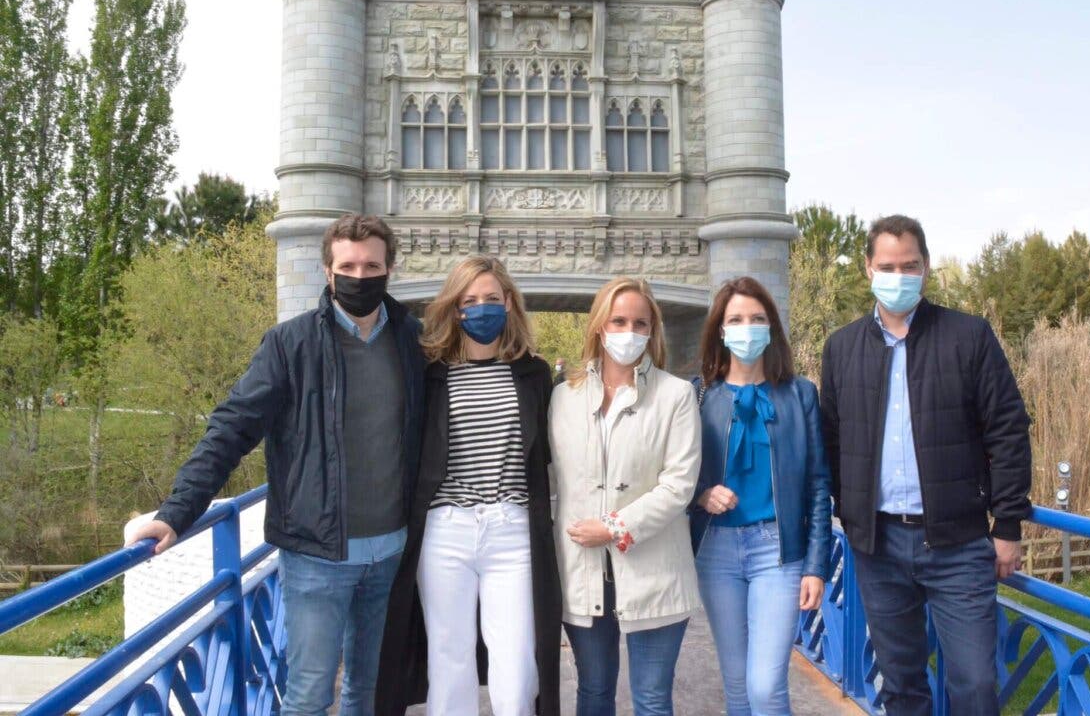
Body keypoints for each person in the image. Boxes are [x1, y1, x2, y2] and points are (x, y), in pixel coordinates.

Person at [126, 214, 425, 716]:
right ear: (328, 273)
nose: (359, 274)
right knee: (308, 694)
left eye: (371, 264)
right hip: (315, 553)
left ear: (389, 269)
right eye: (347, 265)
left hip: (391, 551)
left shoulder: (413, 343)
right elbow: (231, 428)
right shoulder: (290, 344)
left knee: (369, 692)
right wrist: (177, 511)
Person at [820, 214, 1032, 716]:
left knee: (976, 685)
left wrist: (1006, 524)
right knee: (901, 685)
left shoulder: (969, 336)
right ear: (868, 270)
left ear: (927, 267)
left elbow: (1007, 429)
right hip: (879, 546)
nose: (898, 276)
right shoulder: (842, 348)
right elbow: (831, 437)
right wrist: (847, 514)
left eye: (909, 265)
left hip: (957, 543)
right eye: (887, 266)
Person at [375, 255, 560, 716]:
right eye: (469, 300)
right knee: (449, 659)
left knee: (517, 667)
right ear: (455, 308)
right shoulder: (430, 373)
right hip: (446, 530)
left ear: (510, 303)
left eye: (491, 299)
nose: (481, 308)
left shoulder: (534, 374)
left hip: (512, 530)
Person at [549, 277, 702, 716]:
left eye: (640, 322)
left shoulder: (677, 396)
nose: (629, 331)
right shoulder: (562, 397)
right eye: (619, 320)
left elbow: (679, 484)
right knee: (593, 692)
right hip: (582, 572)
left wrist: (614, 526)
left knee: (653, 699)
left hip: (655, 569)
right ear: (599, 325)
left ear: (653, 330)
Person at [689, 276, 831, 716]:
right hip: (716, 553)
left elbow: (819, 484)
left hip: (778, 552)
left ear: (771, 327)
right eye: (735, 319)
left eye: (756, 318)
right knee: (736, 688)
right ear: (720, 329)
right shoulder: (697, 394)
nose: (746, 327)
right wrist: (700, 494)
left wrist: (816, 566)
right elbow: (674, 474)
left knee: (766, 686)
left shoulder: (800, 393)